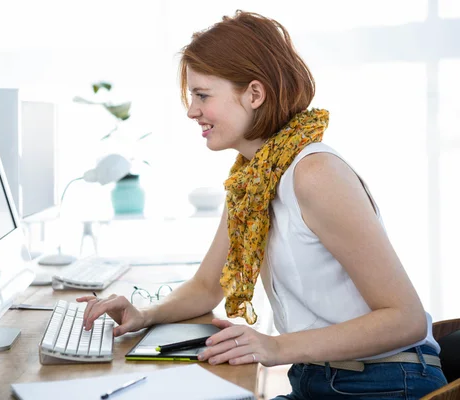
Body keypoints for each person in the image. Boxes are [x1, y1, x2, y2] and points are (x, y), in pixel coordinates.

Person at [77, 10, 447, 399]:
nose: (191, 111)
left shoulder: (315, 173)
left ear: (254, 94)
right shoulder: (253, 178)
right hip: (320, 381)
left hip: (386, 384)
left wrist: (275, 346)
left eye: (202, 95)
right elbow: (207, 287)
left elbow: (404, 320)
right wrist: (143, 315)